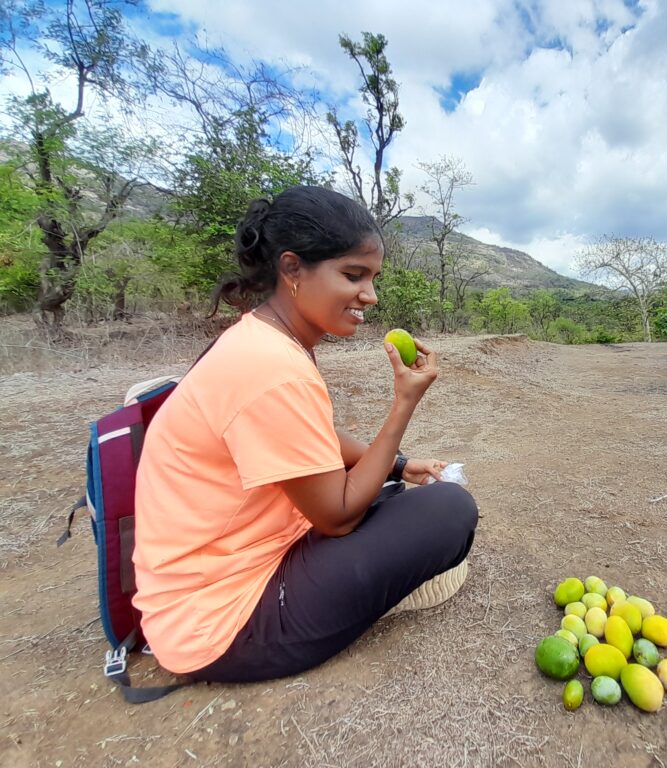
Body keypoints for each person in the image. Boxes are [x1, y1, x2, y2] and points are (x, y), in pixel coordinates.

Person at [132, 185, 478, 683]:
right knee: (449, 509)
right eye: (353, 275)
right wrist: (404, 402)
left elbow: (312, 438)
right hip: (221, 619)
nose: (370, 296)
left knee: (398, 493)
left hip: (241, 563)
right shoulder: (272, 366)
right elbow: (336, 517)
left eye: (373, 278)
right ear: (292, 269)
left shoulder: (264, 338)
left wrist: (400, 464)